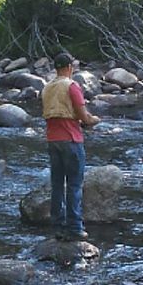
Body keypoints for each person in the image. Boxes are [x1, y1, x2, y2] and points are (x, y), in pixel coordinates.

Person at [41, 52, 100, 240]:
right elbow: (84, 117)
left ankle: (57, 226)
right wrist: (95, 120)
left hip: (53, 140)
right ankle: (75, 227)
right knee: (74, 185)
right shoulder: (71, 86)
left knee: (57, 185)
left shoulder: (47, 88)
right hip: (71, 140)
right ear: (69, 67)